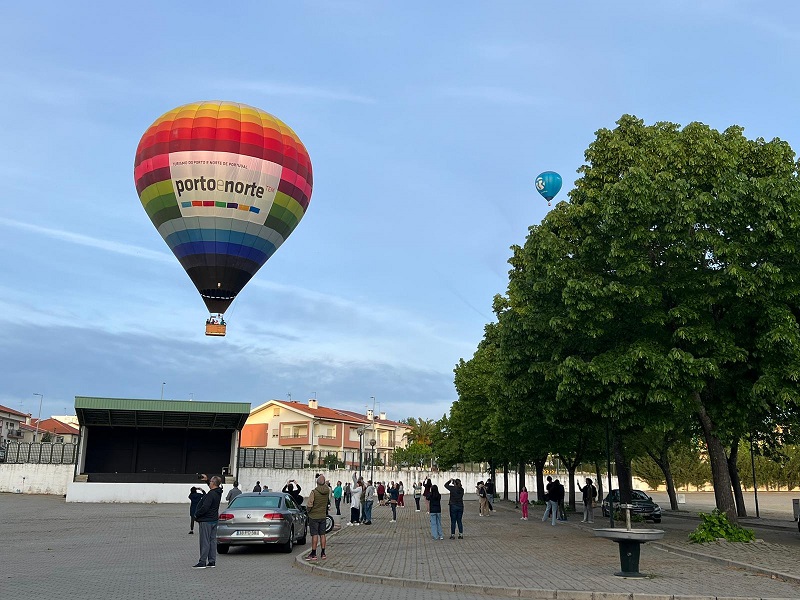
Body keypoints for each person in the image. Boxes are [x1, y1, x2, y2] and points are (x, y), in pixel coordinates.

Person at [192, 474, 223, 568]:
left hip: (206, 520)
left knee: (204, 541)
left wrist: (197, 514)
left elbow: (205, 507)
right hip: (214, 519)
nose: (209, 483)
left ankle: (202, 561)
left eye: (210, 482)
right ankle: (212, 561)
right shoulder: (218, 492)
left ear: (213, 483)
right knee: (212, 540)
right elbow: (215, 485)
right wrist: (207, 480)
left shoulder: (211, 494)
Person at [305, 474, 331, 561]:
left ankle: (313, 553)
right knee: (323, 534)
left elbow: (309, 504)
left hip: (314, 516)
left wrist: (308, 511)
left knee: (314, 535)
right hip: (323, 515)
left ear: (317, 483)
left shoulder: (314, 492)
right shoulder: (327, 491)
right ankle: (323, 553)